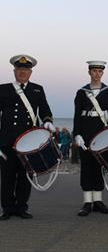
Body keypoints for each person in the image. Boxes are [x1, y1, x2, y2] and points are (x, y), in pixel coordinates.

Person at [0, 55, 55, 220]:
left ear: (30, 72)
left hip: (28, 142)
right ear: (14, 71)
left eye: (25, 69)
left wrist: (47, 122)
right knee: (7, 176)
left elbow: (45, 110)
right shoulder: (3, 89)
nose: (22, 72)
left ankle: (22, 207)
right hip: (6, 141)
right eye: (19, 69)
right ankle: (7, 209)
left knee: (25, 176)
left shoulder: (37, 89)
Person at [73, 61, 108, 216]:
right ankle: (87, 202)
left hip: (101, 132)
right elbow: (77, 115)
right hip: (85, 131)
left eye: (99, 71)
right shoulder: (81, 92)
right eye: (94, 71)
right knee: (86, 166)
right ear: (89, 72)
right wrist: (77, 134)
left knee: (99, 166)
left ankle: (98, 201)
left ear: (103, 73)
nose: (96, 74)